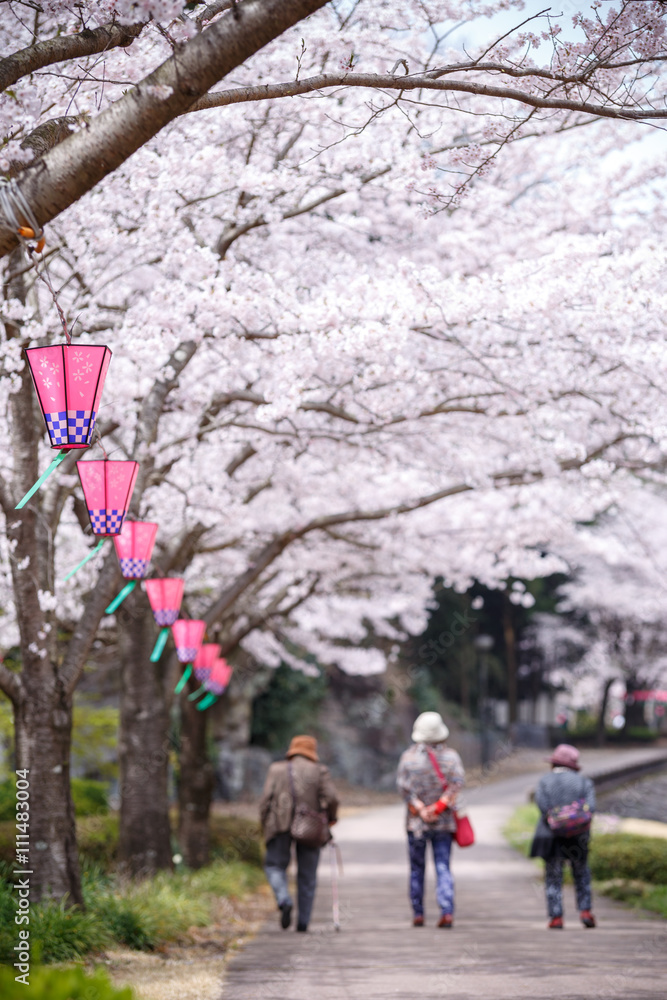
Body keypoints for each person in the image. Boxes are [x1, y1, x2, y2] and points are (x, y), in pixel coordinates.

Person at [259, 734, 338, 932]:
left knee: (274, 866)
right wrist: (331, 818)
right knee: (307, 875)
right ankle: (303, 922)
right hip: (310, 828)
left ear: (292, 749)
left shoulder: (276, 770)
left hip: (279, 825)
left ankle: (284, 898)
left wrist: (264, 826)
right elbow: (332, 798)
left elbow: (264, 802)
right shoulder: (319, 771)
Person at [397, 711, 465, 928]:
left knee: (417, 868)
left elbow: (404, 790)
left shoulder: (408, 758)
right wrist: (437, 807)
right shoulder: (452, 757)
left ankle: (418, 913)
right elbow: (456, 785)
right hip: (443, 823)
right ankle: (446, 909)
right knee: (443, 865)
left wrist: (421, 809)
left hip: (416, 824)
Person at [529, 743, 596, 929]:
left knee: (553, 876)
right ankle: (585, 911)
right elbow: (591, 808)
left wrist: (556, 819)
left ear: (554, 763)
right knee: (581, 872)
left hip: (551, 835)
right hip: (578, 836)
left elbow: (542, 806)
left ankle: (556, 917)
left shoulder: (544, 781)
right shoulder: (584, 782)